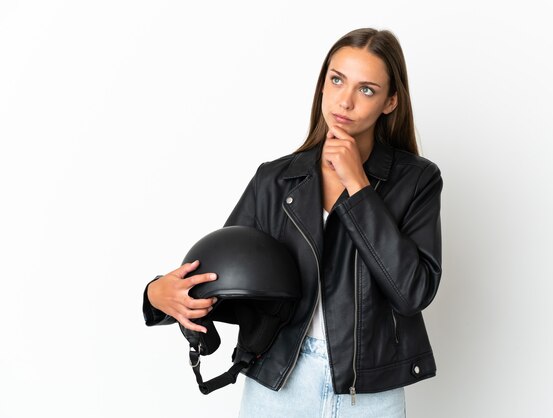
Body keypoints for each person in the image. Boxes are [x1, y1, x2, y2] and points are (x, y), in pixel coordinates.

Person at [143, 27, 443, 418]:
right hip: (280, 380)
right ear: (322, 85)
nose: (345, 101)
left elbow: (413, 292)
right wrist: (158, 295)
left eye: (366, 89)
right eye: (336, 80)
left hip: (369, 390)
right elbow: (227, 277)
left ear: (391, 102)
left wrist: (358, 186)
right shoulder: (275, 179)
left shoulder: (417, 180)